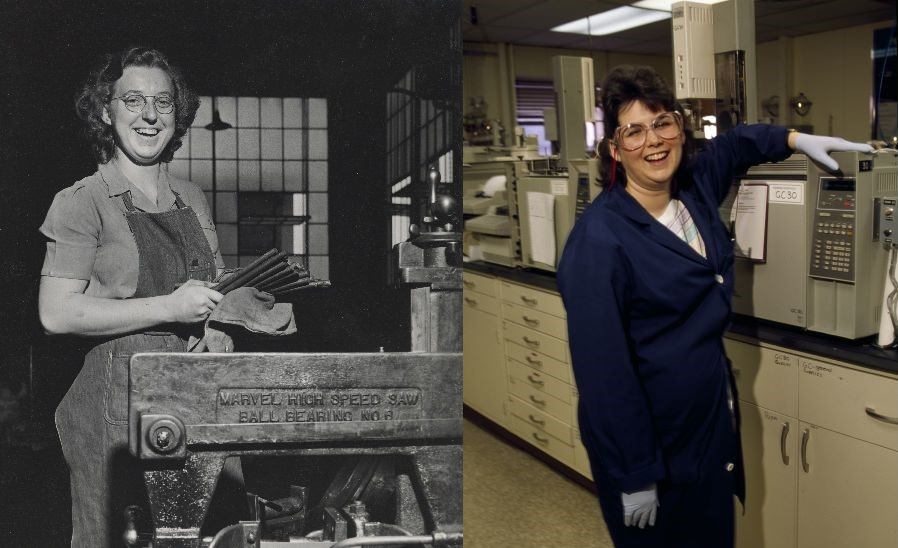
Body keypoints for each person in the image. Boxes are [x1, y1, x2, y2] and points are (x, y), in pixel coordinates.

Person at [556, 65, 872, 547]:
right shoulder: (599, 242)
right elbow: (605, 378)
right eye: (634, 131)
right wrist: (637, 473)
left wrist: (793, 138)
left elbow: (735, 144)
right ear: (615, 150)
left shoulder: (693, 191)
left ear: (679, 128)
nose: (654, 141)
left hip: (705, 427)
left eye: (662, 122)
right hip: (653, 444)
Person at [38, 46, 241, 547]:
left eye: (163, 102)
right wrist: (170, 308)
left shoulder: (191, 197)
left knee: (218, 534)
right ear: (106, 111)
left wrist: (218, 329)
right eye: (133, 100)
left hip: (197, 396)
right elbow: (56, 312)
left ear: (178, 113)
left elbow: (213, 285)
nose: (150, 115)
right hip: (114, 408)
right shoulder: (81, 201)